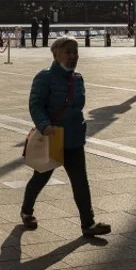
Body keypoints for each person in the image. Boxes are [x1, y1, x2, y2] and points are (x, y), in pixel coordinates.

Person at [21, 36, 112, 238]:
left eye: (75, 52)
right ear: (56, 54)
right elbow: (36, 105)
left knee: (80, 182)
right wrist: (44, 126)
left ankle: (88, 224)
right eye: (68, 52)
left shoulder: (77, 78)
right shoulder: (44, 77)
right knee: (41, 177)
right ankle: (27, 211)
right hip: (53, 136)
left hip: (74, 138)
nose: (73, 56)